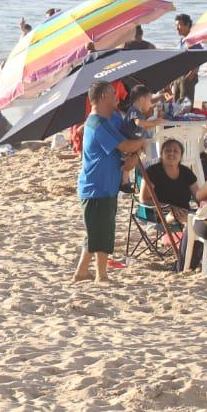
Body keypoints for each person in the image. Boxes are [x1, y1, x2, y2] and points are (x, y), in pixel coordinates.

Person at [73, 82, 146, 282]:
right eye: (114, 93)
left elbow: (127, 138)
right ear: (104, 95)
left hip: (107, 185)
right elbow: (126, 144)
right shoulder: (97, 124)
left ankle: (81, 271)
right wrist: (143, 140)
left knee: (97, 230)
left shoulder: (112, 118)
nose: (118, 96)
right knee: (102, 232)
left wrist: (134, 153)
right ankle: (101, 275)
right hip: (95, 187)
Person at [141, 139, 199, 225]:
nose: (171, 153)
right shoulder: (152, 172)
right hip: (160, 213)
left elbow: (198, 196)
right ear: (161, 154)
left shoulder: (186, 172)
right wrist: (171, 208)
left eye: (175, 151)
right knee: (191, 221)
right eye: (168, 150)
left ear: (180, 156)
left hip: (185, 212)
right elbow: (144, 199)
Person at [170, 13, 200, 104]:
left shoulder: (193, 40)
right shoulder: (182, 41)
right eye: (176, 25)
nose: (177, 28)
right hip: (178, 76)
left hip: (187, 76)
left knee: (185, 106)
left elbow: (199, 58)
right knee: (176, 104)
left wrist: (189, 77)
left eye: (179, 25)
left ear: (187, 25)